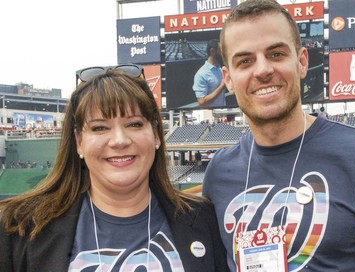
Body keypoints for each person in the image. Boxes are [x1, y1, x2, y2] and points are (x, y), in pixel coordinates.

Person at [202, 0, 355, 271]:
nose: (262, 70)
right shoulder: (219, 172)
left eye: (276, 54)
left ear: (302, 62)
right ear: (228, 79)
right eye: (245, 61)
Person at [0, 68, 228, 271]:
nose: (119, 141)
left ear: (156, 134)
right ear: (79, 142)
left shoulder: (205, 220)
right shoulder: (18, 228)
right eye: (100, 128)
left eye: (134, 124)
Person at [193, 38, 227, 108]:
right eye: (220, 50)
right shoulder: (201, 74)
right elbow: (201, 102)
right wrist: (222, 86)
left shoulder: (220, 69)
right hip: (210, 115)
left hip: (224, 112)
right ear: (212, 51)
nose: (223, 53)